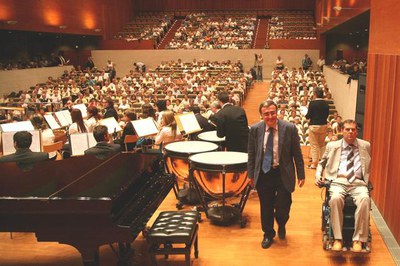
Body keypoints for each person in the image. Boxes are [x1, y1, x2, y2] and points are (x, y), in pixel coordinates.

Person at [248, 101, 305, 249]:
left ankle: (281, 222)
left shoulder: (289, 128)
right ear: (262, 115)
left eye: (273, 112)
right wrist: (250, 174)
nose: (270, 116)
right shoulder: (255, 129)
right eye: (266, 114)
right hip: (264, 173)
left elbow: (297, 153)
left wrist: (301, 174)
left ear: (277, 112)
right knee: (265, 206)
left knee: (283, 206)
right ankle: (268, 234)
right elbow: (252, 153)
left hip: (283, 172)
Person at [315, 119, 371, 252]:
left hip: (358, 183)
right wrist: (318, 175)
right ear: (342, 131)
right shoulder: (332, 146)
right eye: (347, 129)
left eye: (353, 129)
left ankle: (358, 240)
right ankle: (337, 238)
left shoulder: (365, 146)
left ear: (357, 131)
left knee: (365, 199)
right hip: (338, 181)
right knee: (335, 199)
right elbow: (321, 163)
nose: (350, 132)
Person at [305, 87, 329, 169]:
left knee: (314, 146)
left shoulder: (312, 103)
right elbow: (327, 115)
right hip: (323, 126)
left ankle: (314, 164)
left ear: (315, 94)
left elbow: (308, 116)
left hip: (314, 126)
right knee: (322, 145)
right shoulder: (326, 103)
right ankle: (322, 163)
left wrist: (305, 115)